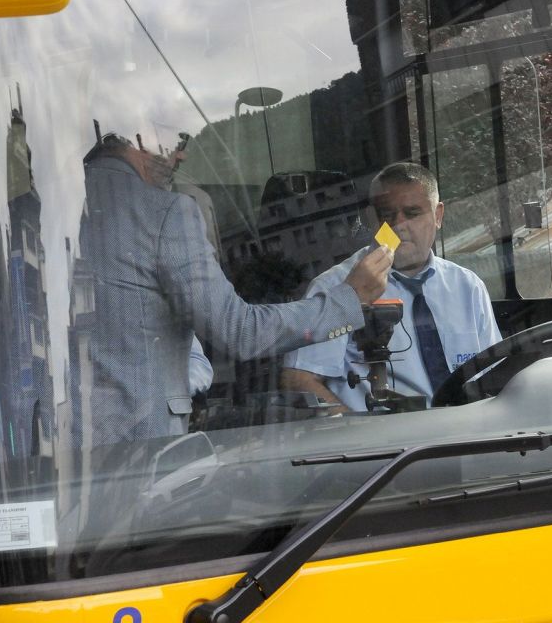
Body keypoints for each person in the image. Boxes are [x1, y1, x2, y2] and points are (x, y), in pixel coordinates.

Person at [68, 133, 392, 446]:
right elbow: (239, 331)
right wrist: (347, 299)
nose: (181, 155)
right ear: (142, 136)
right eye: (176, 142)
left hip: (54, 444)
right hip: (138, 446)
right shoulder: (164, 212)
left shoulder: (50, 206)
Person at [281, 162, 501, 411]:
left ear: (438, 215)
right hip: (383, 433)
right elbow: (299, 379)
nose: (399, 225)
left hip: (464, 428)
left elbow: (493, 373)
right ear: (371, 219)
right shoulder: (336, 287)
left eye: (413, 213)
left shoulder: (467, 286)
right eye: (387, 215)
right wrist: (355, 428)